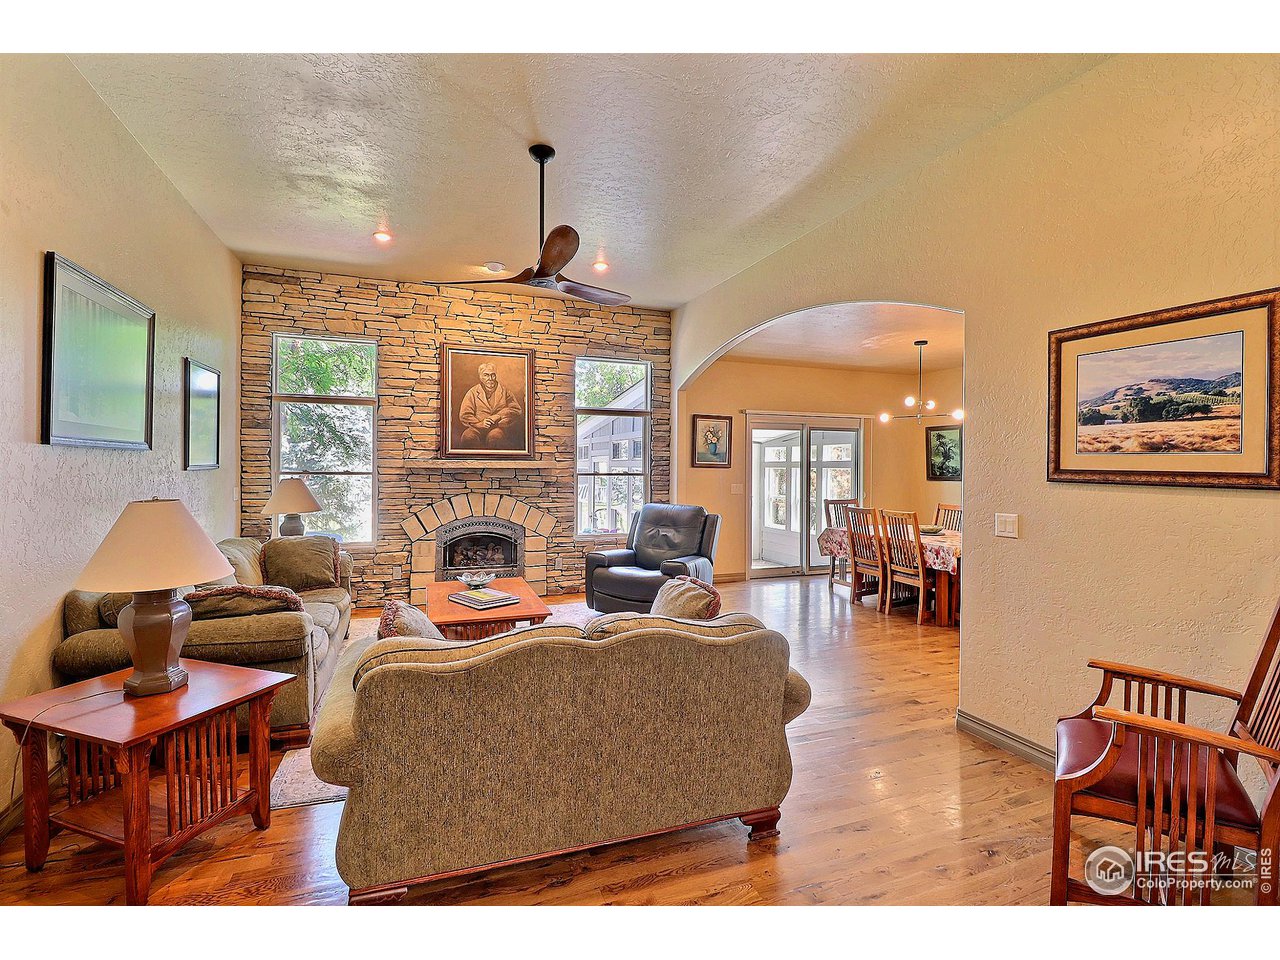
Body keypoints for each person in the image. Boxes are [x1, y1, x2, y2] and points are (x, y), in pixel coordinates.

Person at [458, 361, 523, 448]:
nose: (490, 378)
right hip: (476, 427)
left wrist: (498, 416)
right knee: (468, 437)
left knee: (495, 438)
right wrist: (479, 424)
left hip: (498, 427)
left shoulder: (505, 391)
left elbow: (516, 410)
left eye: (492, 375)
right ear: (480, 377)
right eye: (486, 375)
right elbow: (464, 415)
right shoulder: (472, 392)